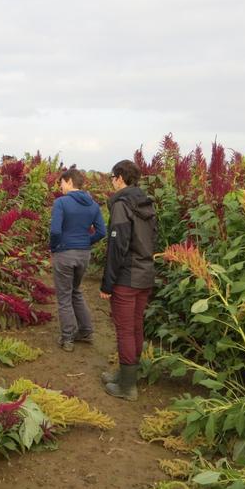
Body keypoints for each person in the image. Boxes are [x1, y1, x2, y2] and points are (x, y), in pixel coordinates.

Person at [99, 160, 157, 401]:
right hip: (145, 274)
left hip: (127, 276)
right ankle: (126, 376)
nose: (112, 182)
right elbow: (153, 239)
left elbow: (117, 246)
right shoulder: (146, 204)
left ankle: (127, 387)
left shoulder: (122, 205)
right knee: (135, 327)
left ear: (120, 177)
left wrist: (107, 283)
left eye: (113, 177)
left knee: (125, 330)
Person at [50, 168, 106, 352]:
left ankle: (67, 338)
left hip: (64, 253)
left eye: (61, 183)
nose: (61, 187)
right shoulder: (93, 204)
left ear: (69, 181)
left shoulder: (61, 203)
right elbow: (101, 232)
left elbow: (56, 231)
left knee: (64, 296)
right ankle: (86, 331)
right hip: (84, 255)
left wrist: (55, 247)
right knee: (76, 291)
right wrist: (84, 242)